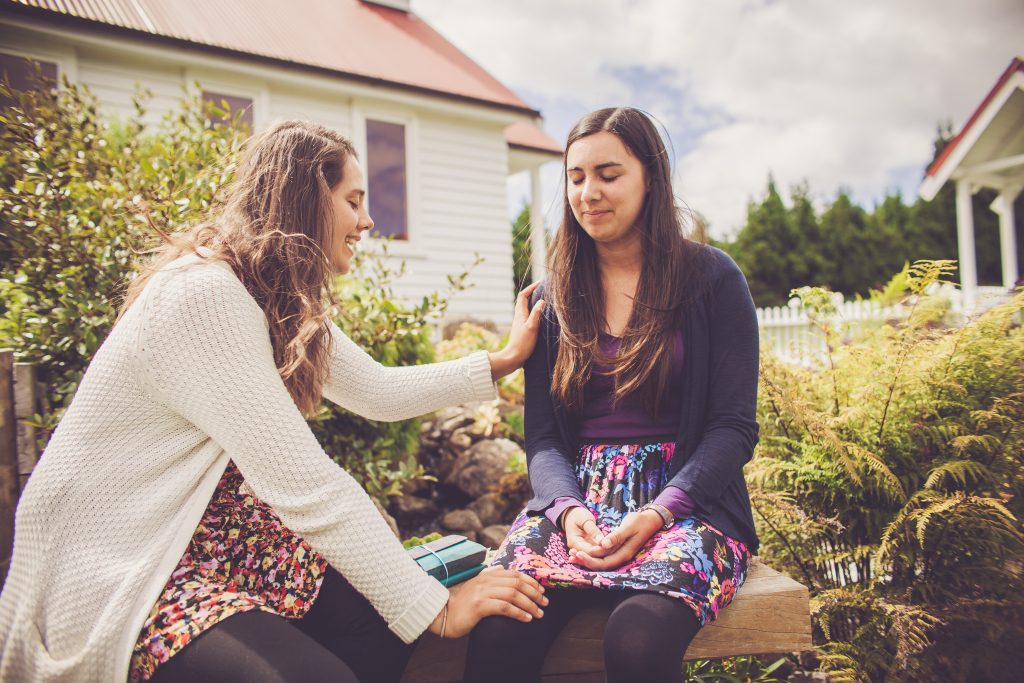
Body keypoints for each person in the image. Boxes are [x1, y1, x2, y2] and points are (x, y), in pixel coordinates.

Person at [0, 120, 549, 683]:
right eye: (353, 201)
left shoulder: (271, 298)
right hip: (122, 559)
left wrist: (502, 361)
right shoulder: (205, 296)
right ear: (308, 201)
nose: (367, 221)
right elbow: (304, 486)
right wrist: (439, 608)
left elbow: (380, 391)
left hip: (204, 534)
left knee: (381, 629)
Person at [465, 107, 761, 683]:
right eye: (576, 178)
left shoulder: (714, 280)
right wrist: (566, 508)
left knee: (637, 637)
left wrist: (658, 513)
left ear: (650, 177)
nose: (588, 192)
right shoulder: (553, 297)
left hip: (689, 508)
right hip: (578, 509)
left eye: (608, 174)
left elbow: (733, 427)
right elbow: (545, 438)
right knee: (499, 627)